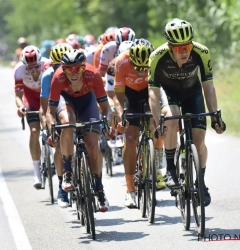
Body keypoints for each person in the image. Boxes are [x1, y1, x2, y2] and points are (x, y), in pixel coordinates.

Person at [148, 18, 226, 207]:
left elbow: (208, 87)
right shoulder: (157, 57)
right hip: (169, 93)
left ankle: (201, 182)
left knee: (199, 141)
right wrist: (159, 121)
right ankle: (171, 169)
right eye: (178, 48)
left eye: (187, 46)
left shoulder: (202, 52)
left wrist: (215, 115)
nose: (184, 51)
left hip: (193, 92)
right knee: (172, 116)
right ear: (169, 46)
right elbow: (153, 92)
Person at [46, 49, 113, 212]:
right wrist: (52, 127)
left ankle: (99, 189)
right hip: (66, 102)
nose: (74, 73)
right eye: (69, 69)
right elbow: (49, 111)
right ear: (63, 69)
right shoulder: (58, 77)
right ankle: (67, 173)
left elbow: (106, 108)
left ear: (84, 67)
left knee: (92, 144)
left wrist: (108, 124)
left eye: (78, 68)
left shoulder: (93, 75)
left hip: (87, 103)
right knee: (68, 123)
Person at [114, 41, 167, 208]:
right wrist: (121, 116)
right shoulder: (121, 62)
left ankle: (156, 163)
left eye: (145, 68)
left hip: (148, 92)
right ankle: (130, 189)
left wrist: (162, 114)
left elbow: (158, 93)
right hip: (130, 95)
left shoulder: (156, 61)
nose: (141, 71)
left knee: (156, 123)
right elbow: (118, 97)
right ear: (131, 60)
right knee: (130, 138)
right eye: (137, 67)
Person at [40, 43, 73, 208]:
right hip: (58, 103)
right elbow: (45, 107)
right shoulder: (48, 75)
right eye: (57, 65)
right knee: (59, 145)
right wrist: (48, 127)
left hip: (76, 100)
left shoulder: (78, 70)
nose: (62, 69)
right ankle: (62, 186)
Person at [14, 45, 50, 189]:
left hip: (46, 98)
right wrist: (20, 107)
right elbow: (18, 96)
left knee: (55, 128)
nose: (34, 70)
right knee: (34, 132)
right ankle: (36, 172)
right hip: (31, 101)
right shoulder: (19, 71)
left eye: (36, 66)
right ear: (24, 65)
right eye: (30, 67)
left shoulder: (47, 65)